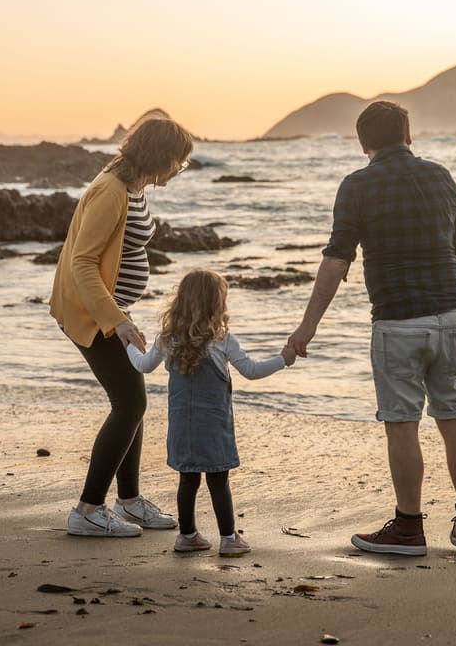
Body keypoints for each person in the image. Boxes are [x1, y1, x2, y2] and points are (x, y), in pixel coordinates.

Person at [288, 101, 456, 556]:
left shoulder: (357, 185)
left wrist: (306, 327)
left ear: (364, 144)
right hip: (452, 315)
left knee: (402, 425)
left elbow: (337, 259)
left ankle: (410, 528)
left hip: (397, 320)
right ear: (409, 136)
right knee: (454, 417)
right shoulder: (442, 177)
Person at [50, 117, 194, 538]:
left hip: (111, 310)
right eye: (178, 163)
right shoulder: (110, 191)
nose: (177, 171)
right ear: (160, 158)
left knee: (134, 402)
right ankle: (88, 509)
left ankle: (129, 502)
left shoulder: (133, 184)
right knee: (129, 404)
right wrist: (116, 321)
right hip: (91, 314)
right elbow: (82, 262)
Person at [126, 269, 297, 554]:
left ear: (181, 301)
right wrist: (284, 359)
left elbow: (143, 365)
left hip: (182, 425)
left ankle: (187, 535)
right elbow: (251, 371)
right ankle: (229, 538)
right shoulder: (222, 339)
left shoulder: (167, 338)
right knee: (218, 479)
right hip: (214, 426)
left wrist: (130, 345)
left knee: (188, 478)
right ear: (216, 305)